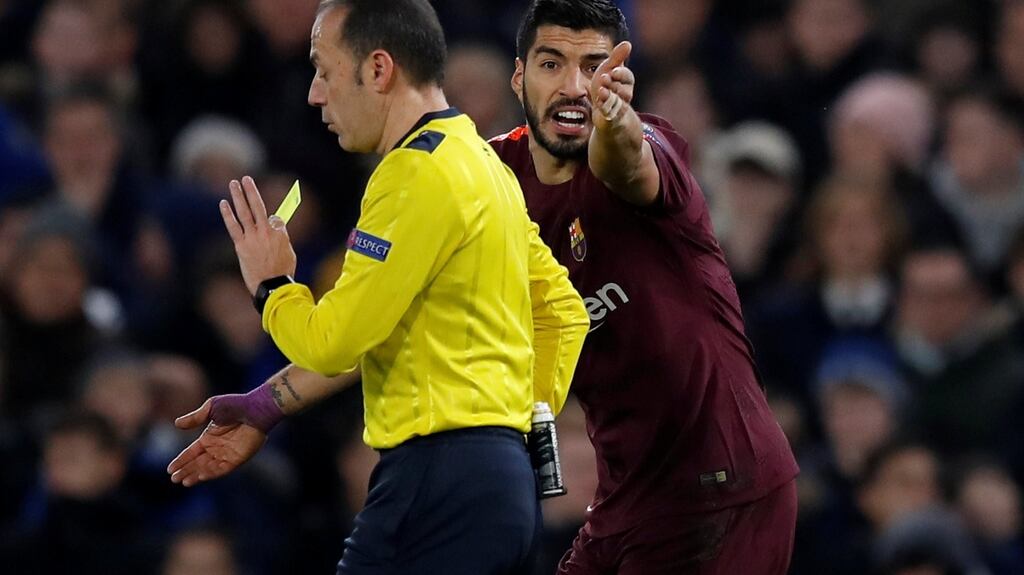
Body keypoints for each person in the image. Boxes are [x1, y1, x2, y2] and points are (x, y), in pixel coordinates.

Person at [166, 1, 590, 574]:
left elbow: (337, 339)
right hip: (503, 492)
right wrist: (516, 428)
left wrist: (272, 285)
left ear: (379, 69)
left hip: (434, 482)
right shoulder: (483, 165)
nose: (316, 93)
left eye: (324, 69)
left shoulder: (412, 173)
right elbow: (563, 312)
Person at [488, 1, 799, 573]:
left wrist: (616, 119)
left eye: (594, 68)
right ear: (518, 76)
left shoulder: (648, 147)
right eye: (552, 64)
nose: (574, 86)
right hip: (624, 501)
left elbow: (625, 159)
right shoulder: (489, 182)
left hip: (722, 492)